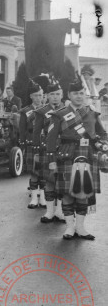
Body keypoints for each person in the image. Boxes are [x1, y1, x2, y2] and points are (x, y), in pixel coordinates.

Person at [46, 75, 108, 240]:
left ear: (85, 95)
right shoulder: (59, 114)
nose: (79, 96)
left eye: (81, 93)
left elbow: (103, 134)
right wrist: (51, 160)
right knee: (67, 193)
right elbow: (50, 139)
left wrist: (102, 144)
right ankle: (69, 228)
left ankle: (80, 228)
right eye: (75, 93)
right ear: (69, 95)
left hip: (88, 155)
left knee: (84, 193)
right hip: (66, 155)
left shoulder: (93, 113)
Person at [33, 76, 66, 224]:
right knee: (50, 180)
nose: (55, 97)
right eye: (52, 94)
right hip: (47, 149)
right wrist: (36, 150)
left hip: (65, 149)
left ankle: (60, 211)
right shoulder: (41, 111)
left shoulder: (68, 110)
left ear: (62, 94)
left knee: (62, 180)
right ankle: (49, 211)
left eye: (58, 94)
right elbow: (36, 132)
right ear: (47, 96)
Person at [19, 77, 47, 209]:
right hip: (31, 143)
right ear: (31, 96)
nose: (39, 98)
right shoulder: (25, 111)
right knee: (34, 171)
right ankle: (34, 198)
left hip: (45, 143)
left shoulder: (47, 109)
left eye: (41, 95)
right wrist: (23, 144)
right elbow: (22, 129)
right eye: (36, 95)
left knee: (44, 171)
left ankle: (43, 197)